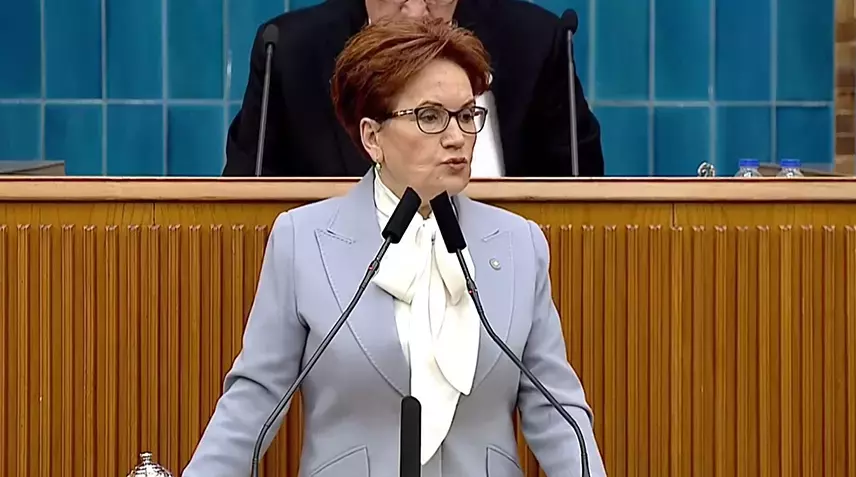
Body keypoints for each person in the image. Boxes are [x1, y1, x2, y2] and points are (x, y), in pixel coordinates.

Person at [184, 18, 606, 477]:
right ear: (372, 137)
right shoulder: (303, 240)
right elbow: (254, 401)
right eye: (430, 116)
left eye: (467, 115)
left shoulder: (519, 244)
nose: (456, 137)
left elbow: (557, 412)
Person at [222, 0, 604, 178]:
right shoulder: (290, 51)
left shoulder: (534, 42)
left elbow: (582, 196)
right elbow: (245, 199)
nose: (417, 9)